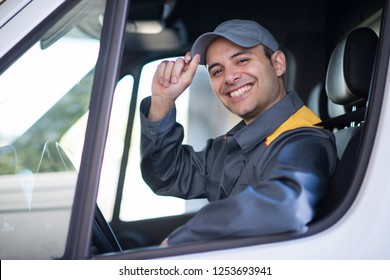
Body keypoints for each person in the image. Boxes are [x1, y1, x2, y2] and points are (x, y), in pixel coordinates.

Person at [139, 19, 338, 245]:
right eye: (217, 71)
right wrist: (162, 101)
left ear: (278, 64)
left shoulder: (303, 140)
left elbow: (284, 208)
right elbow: (166, 176)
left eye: (242, 60)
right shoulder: (234, 145)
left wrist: (180, 241)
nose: (230, 77)